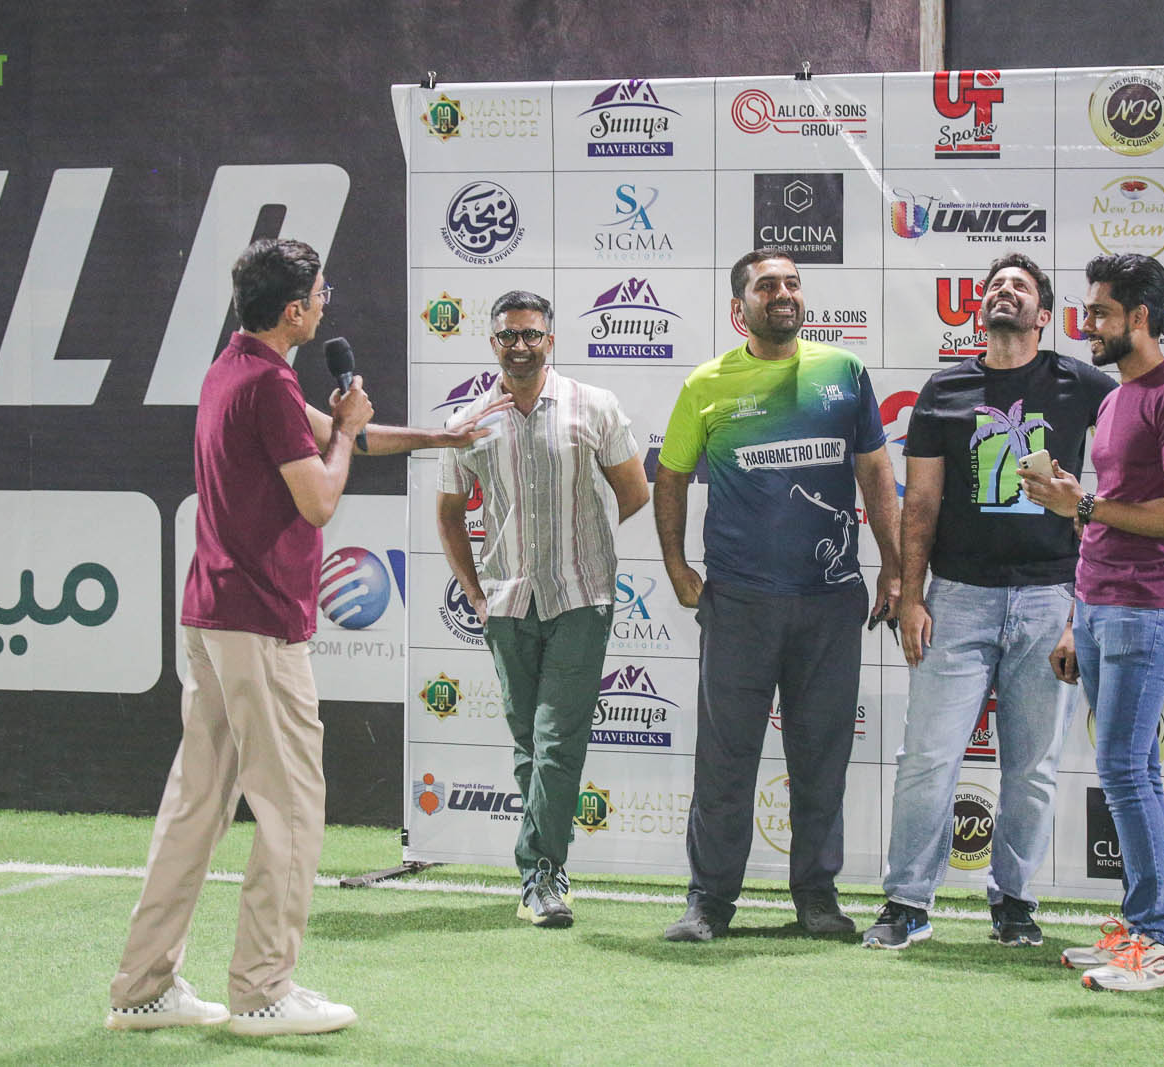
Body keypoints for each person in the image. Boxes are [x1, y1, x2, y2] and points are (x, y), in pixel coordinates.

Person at [107, 238, 504, 1036]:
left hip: (213, 617)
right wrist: (348, 432)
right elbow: (322, 494)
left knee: (195, 808)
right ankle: (262, 990)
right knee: (292, 807)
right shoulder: (267, 386)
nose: (327, 301)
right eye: (321, 292)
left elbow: (349, 434)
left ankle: (142, 988)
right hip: (258, 623)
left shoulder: (235, 369)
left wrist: (445, 438)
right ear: (294, 310)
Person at [864, 254, 1116, 951]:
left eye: (1020, 287)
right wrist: (911, 597)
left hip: (1050, 598)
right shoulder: (946, 389)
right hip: (958, 599)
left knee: (1032, 766)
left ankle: (1015, 901)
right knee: (926, 757)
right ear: (981, 309)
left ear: (1043, 315)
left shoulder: (1081, 383)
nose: (1005, 291)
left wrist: (1080, 606)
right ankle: (907, 901)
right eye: (995, 286)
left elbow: (1141, 438)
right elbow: (921, 504)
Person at [654, 248, 901, 941]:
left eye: (792, 283)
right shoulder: (706, 383)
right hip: (739, 601)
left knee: (821, 757)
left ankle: (817, 898)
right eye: (767, 286)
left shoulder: (844, 372)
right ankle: (709, 901)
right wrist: (675, 565)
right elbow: (670, 477)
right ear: (741, 307)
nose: (784, 293)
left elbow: (877, 473)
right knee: (725, 758)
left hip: (831, 600)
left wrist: (895, 568)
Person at [1021, 252, 1164, 992]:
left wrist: (1081, 504)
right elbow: (1102, 516)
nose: (1088, 325)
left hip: (1147, 609)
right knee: (1127, 768)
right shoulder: (1114, 401)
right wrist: (1076, 615)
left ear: (1140, 317)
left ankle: (1158, 943)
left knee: (1125, 768)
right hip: (1102, 606)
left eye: (1101, 312)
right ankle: (1140, 929)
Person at [436, 290, 650, 928]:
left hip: (581, 599)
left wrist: (591, 553)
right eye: (509, 335)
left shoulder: (594, 406)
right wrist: (476, 594)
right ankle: (546, 870)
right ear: (493, 343)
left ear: (550, 340)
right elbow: (449, 514)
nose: (521, 345)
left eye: (531, 334)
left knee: (556, 741)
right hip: (506, 603)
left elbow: (635, 493)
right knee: (530, 742)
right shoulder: (470, 421)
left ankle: (540, 875)